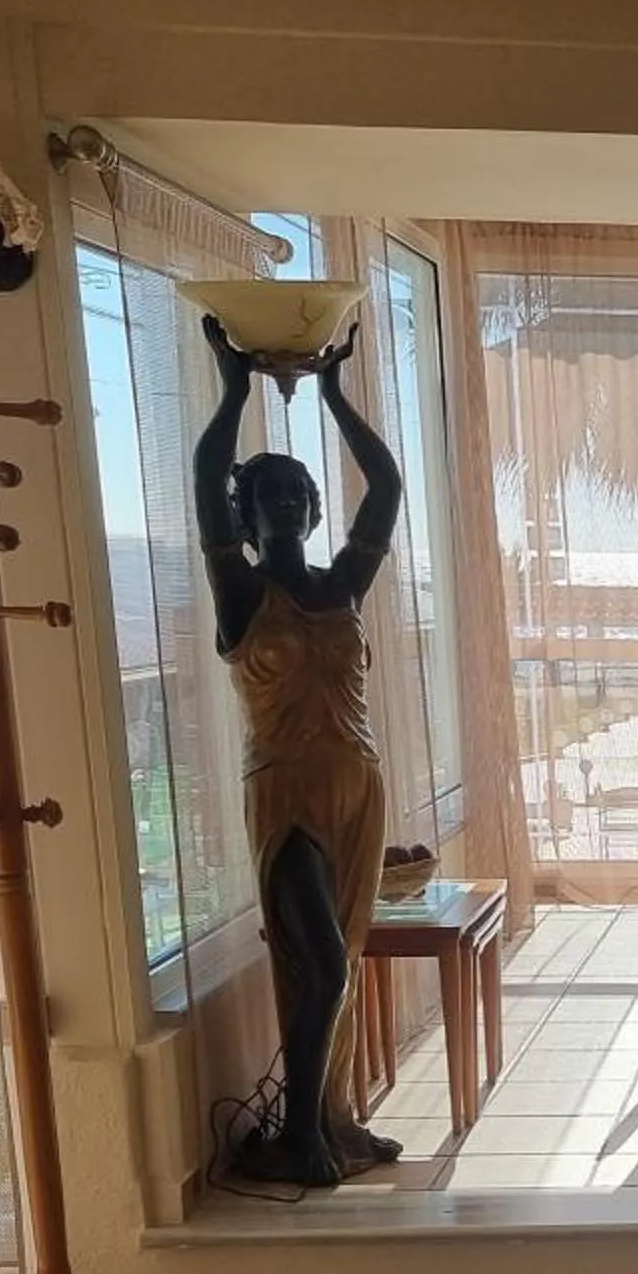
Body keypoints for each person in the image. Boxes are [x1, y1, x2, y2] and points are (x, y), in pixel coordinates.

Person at [194, 313, 404, 1187]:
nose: (284, 505)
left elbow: (386, 487)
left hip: (358, 789)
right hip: (284, 795)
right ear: (245, 514)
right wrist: (234, 390)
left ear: (314, 510)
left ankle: (321, 1118)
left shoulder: (341, 584)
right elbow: (205, 478)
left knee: (341, 962)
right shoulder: (240, 592)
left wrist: (335, 394)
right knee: (316, 964)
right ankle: (298, 1134)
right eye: (267, 495)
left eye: (297, 494)